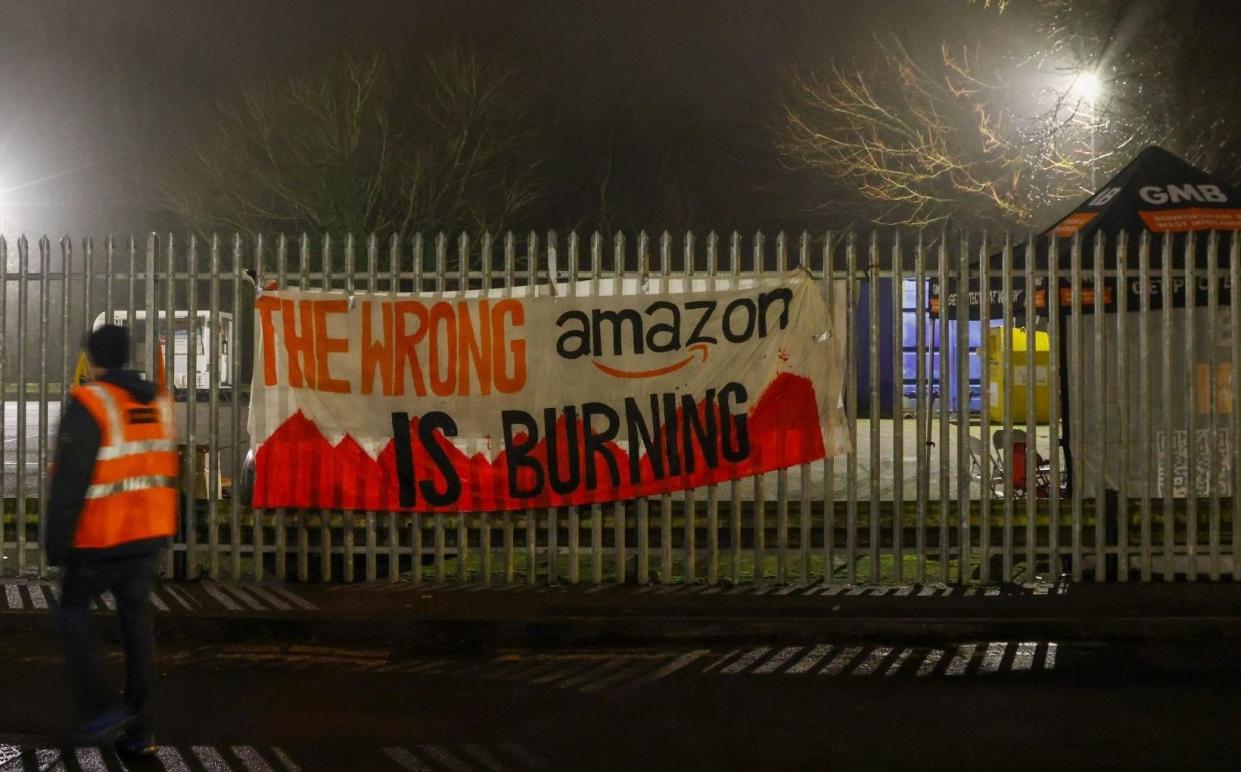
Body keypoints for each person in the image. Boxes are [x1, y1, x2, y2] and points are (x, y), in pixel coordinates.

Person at [44, 324, 179, 756]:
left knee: (70, 618)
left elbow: (70, 481)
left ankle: (101, 709)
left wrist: (57, 544)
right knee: (138, 633)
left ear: (93, 359)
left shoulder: (91, 402)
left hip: (98, 538)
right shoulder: (157, 401)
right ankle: (142, 734)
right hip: (146, 537)